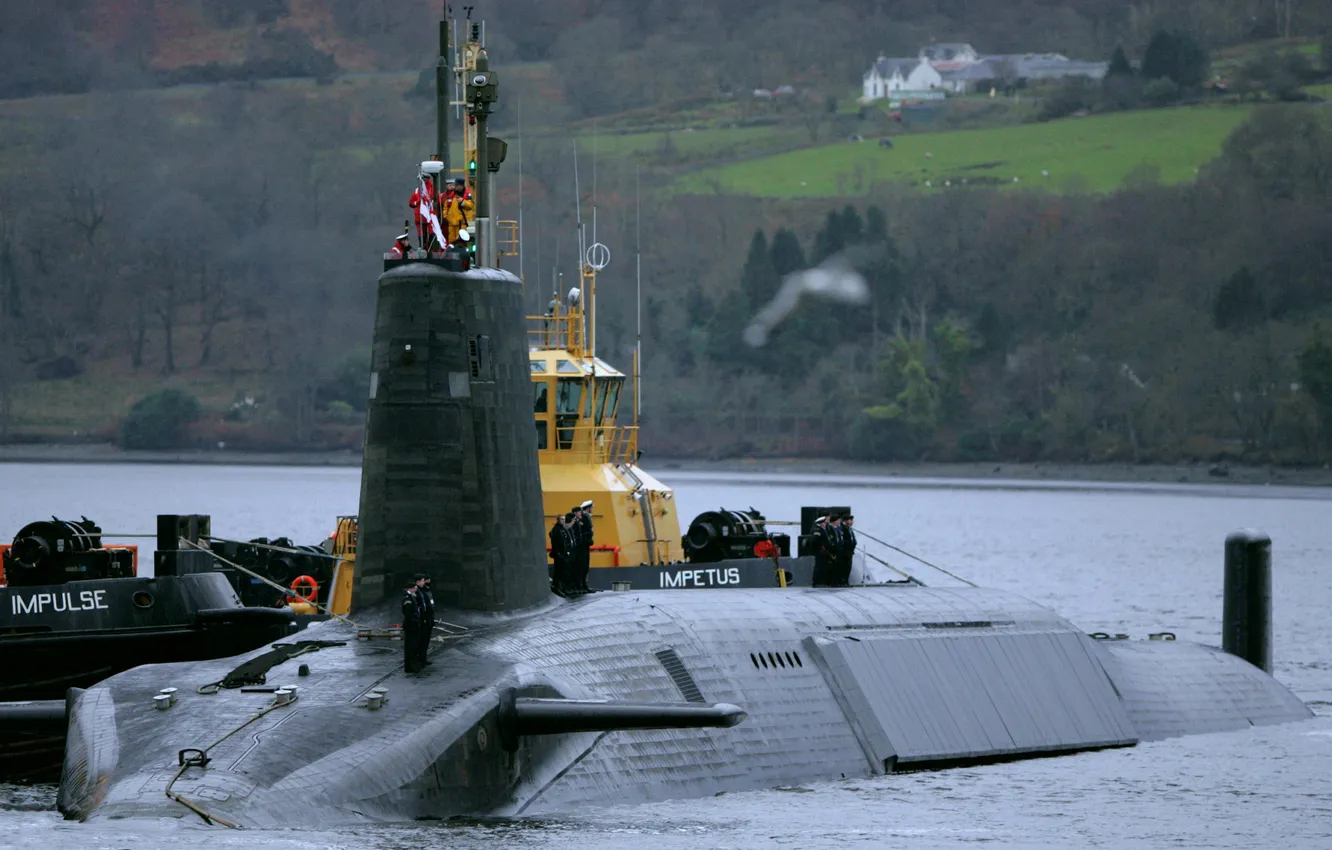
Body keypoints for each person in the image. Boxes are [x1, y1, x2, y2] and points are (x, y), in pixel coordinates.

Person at [401, 574, 428, 673]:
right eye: (414, 588)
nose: (416, 589)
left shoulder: (412, 596)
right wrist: (414, 620)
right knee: (410, 647)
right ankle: (409, 666)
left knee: (413, 646)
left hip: (414, 625)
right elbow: (408, 612)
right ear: (411, 588)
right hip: (411, 625)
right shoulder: (408, 598)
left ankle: (413, 664)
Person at [549, 513, 576, 596]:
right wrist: (559, 553)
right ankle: (558, 587)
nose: (563, 521)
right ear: (558, 520)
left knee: (564, 571)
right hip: (559, 554)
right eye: (562, 519)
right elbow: (557, 542)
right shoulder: (557, 530)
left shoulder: (562, 529)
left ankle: (563, 587)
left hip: (563, 553)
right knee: (559, 571)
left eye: (564, 519)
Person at [441, 180, 474, 246]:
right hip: (451, 224)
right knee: (451, 243)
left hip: (462, 224)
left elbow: (470, 206)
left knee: (461, 243)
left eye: (456, 185)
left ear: (461, 186)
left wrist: (462, 202)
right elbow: (445, 207)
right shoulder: (452, 195)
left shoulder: (467, 195)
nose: (454, 187)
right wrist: (446, 216)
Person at [409, 177, 436, 249]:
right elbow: (411, 203)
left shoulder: (431, 190)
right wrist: (417, 203)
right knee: (422, 236)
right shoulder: (417, 191)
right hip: (420, 218)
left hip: (429, 218)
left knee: (431, 234)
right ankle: (423, 247)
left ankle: (429, 248)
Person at [574, 500, 594, 592]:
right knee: (582, 565)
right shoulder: (585, 517)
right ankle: (581, 585)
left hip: (585, 544)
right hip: (583, 545)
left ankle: (583, 585)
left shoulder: (586, 516)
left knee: (584, 566)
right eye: (591, 507)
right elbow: (586, 530)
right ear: (588, 508)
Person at [418, 575, 436, 667]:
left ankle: (423, 658)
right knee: (422, 640)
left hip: (429, 618)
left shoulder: (428, 590)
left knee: (426, 640)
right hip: (424, 619)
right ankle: (420, 659)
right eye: (426, 580)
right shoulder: (421, 592)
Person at [810, 515, 830, 586]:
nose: (825, 524)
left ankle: (821, 581)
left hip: (824, 552)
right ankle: (816, 582)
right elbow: (816, 540)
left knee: (823, 567)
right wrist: (821, 546)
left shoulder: (822, 529)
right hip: (819, 551)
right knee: (818, 567)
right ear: (821, 523)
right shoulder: (817, 529)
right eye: (824, 522)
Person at [840, 514, 857, 585]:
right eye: (851, 520)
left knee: (848, 568)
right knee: (843, 567)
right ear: (846, 521)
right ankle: (842, 581)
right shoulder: (842, 528)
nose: (852, 522)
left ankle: (846, 581)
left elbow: (852, 539)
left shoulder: (849, 529)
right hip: (844, 552)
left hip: (850, 552)